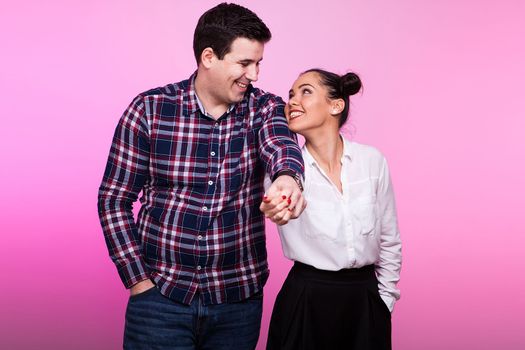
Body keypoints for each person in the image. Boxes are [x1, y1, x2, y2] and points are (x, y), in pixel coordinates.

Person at [97, 3, 305, 349]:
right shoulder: (149, 110)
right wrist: (138, 280)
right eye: (244, 63)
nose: (253, 75)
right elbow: (114, 200)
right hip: (159, 300)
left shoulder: (265, 108)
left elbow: (281, 146)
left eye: (258, 64)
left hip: (237, 302)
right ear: (209, 57)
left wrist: (287, 178)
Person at [262, 69, 402, 350]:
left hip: (364, 301)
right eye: (290, 95)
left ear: (336, 105)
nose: (292, 101)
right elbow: (278, 201)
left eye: (305, 91)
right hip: (306, 299)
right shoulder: (283, 172)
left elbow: (389, 238)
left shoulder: (371, 161)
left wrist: (383, 301)